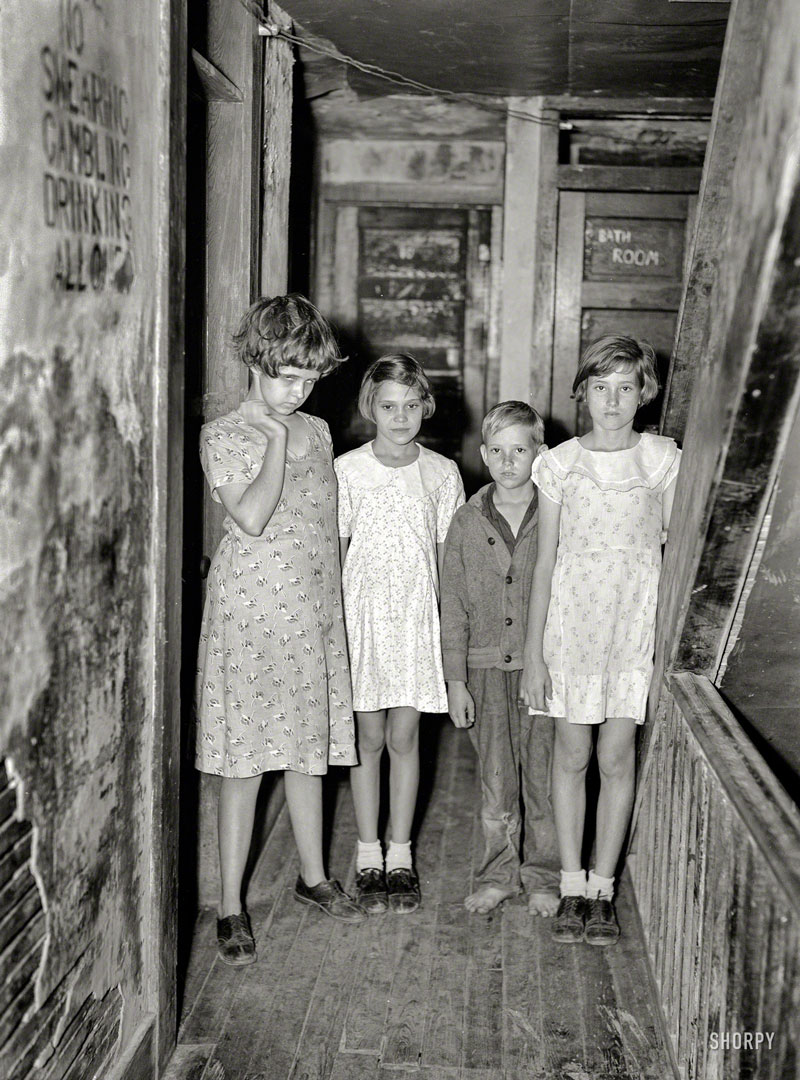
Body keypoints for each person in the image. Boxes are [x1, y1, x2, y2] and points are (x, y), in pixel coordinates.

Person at [196, 294, 364, 967]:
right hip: (251, 614)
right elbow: (254, 518)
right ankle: (232, 904)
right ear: (254, 364)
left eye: (307, 381)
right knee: (245, 763)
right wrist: (269, 442)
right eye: (285, 378)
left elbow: (324, 525)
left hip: (313, 607)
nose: (296, 393)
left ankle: (313, 876)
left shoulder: (320, 432)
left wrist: (336, 603)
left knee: (306, 750)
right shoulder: (224, 434)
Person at [520, 336, 680, 946]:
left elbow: (671, 553)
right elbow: (545, 563)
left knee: (616, 758)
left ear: (645, 393)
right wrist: (535, 653)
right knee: (571, 756)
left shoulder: (663, 459)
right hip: (572, 631)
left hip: (632, 629)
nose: (612, 401)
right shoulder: (559, 464)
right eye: (601, 387)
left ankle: (603, 889)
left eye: (626, 388)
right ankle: (569, 884)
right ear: (582, 391)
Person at [335, 355, 465, 914]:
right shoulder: (345, 470)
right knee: (366, 740)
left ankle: (401, 853)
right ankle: (368, 854)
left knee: (404, 739)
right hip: (361, 618)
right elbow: (334, 555)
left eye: (411, 405)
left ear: (425, 408)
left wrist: (445, 629)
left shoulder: (441, 473)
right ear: (371, 407)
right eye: (389, 406)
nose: (400, 416)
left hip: (415, 620)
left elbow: (446, 561)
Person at [440, 401, 560, 916]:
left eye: (521, 449)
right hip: (484, 670)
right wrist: (455, 681)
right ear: (484, 455)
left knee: (544, 778)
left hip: (543, 669)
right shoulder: (467, 521)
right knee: (496, 781)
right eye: (498, 451)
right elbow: (453, 605)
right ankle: (498, 875)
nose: (509, 460)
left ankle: (545, 878)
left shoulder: (556, 515)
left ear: (541, 453)